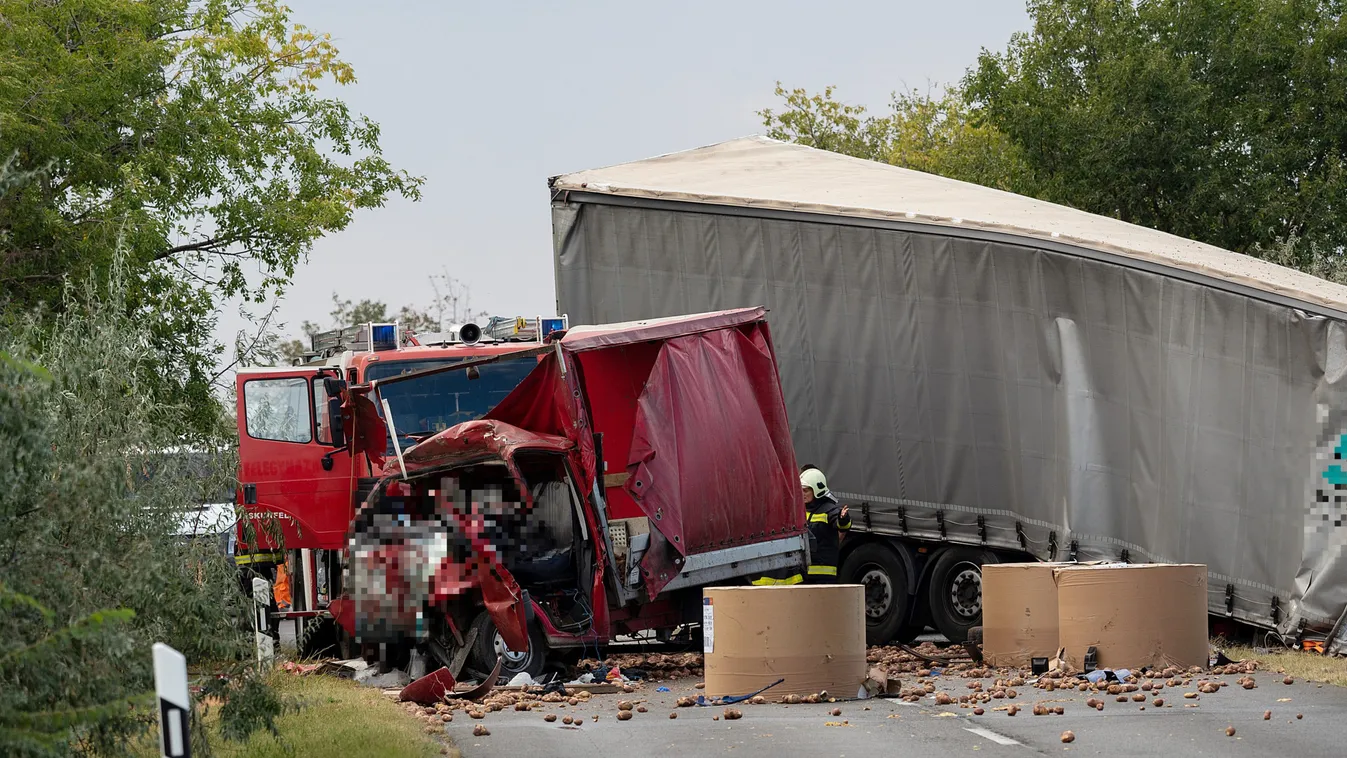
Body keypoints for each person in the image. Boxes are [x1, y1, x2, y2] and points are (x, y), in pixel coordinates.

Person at [801, 468, 850, 583]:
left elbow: (843, 527)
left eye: (806, 491)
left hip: (823, 575)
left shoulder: (829, 510)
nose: (802, 494)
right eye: (801, 490)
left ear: (817, 490)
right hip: (803, 573)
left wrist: (843, 519)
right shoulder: (800, 510)